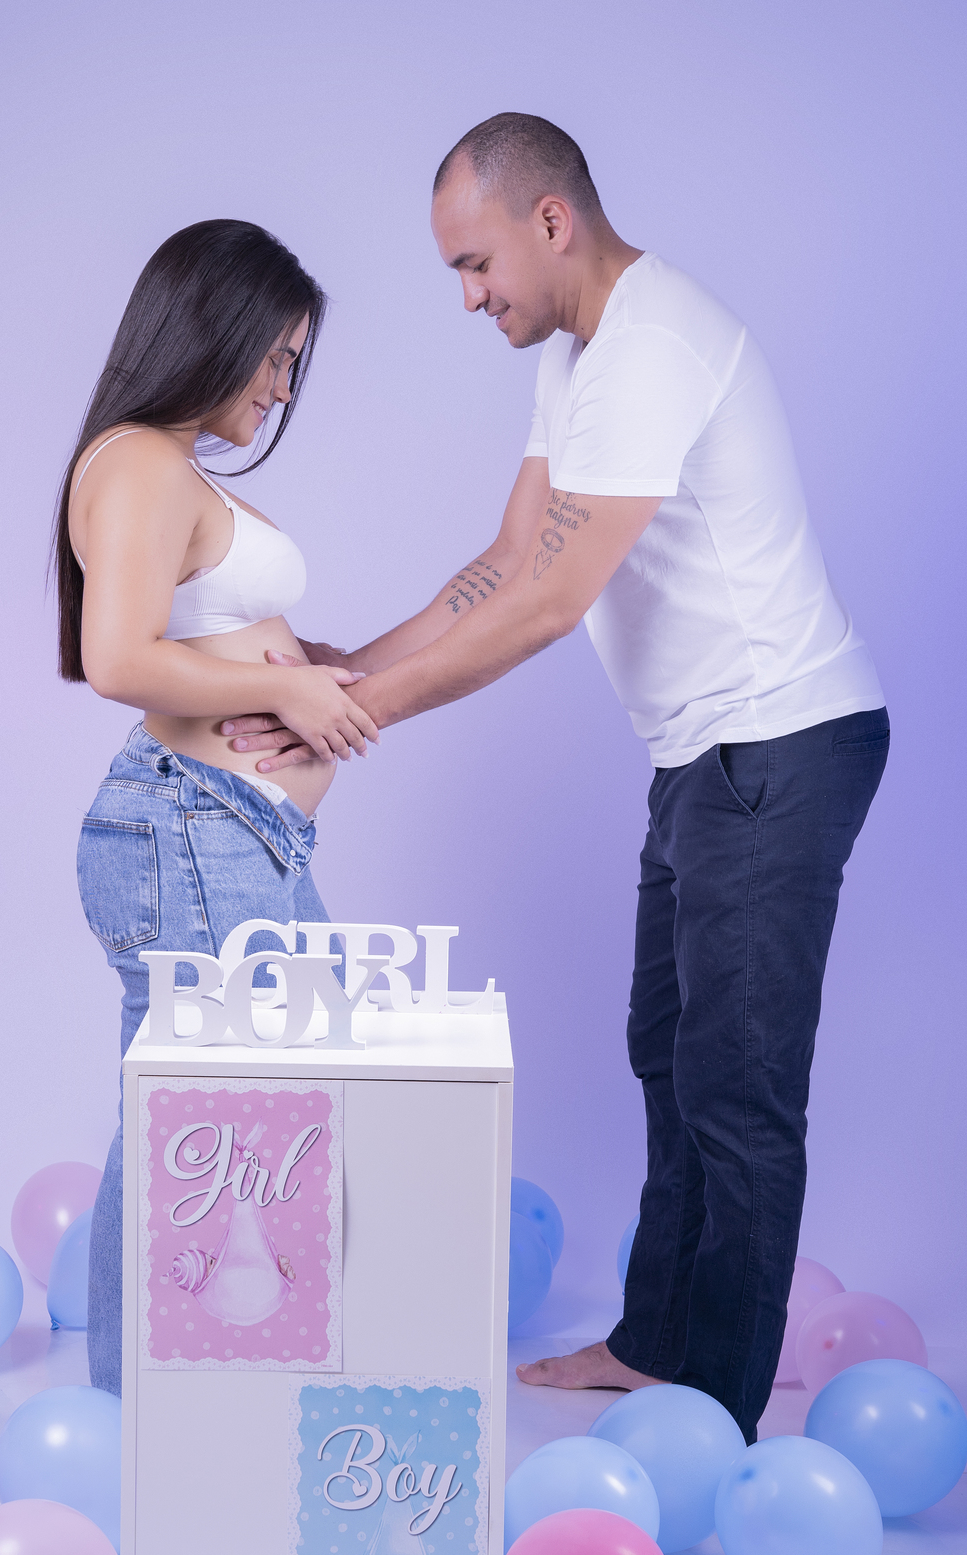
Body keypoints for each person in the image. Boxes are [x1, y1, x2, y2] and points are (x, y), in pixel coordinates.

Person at [222, 115, 888, 1444]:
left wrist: (358, 720)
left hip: (781, 742)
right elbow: (508, 561)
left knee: (738, 1087)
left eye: (476, 266)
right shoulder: (578, 355)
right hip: (703, 750)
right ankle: (657, 1347)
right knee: (667, 1055)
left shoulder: (652, 347)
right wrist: (353, 666)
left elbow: (548, 606)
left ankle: (716, 1418)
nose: (470, 298)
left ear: (550, 220)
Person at [55, 219, 377, 1396]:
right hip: (192, 827)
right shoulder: (141, 460)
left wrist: (302, 663)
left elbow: (194, 634)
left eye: (295, 363)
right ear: (216, 330)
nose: (284, 387)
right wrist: (280, 686)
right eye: (276, 356)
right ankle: (142, 1409)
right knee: (186, 1119)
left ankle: (195, 1395)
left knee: (232, 1113)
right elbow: (118, 659)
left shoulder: (165, 464)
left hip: (232, 832)